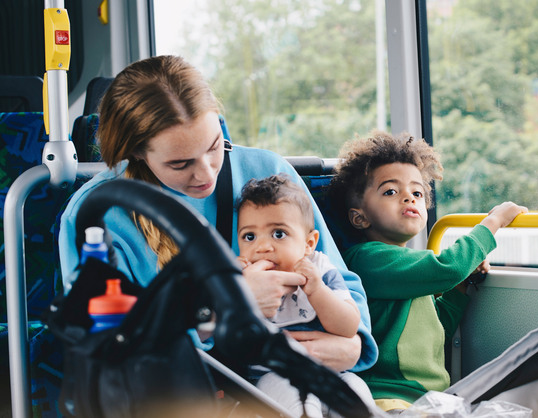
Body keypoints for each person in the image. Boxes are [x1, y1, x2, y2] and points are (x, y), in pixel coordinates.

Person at [57, 55, 378, 377]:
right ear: (137, 151)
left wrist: (352, 343)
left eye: (213, 147)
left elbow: (337, 276)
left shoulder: (268, 170)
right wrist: (225, 306)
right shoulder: (97, 213)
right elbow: (107, 344)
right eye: (180, 164)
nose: (206, 173)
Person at [326, 130, 528, 411]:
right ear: (360, 217)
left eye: (417, 192)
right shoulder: (367, 260)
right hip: (386, 397)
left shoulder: (408, 266)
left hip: (428, 399)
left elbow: (430, 334)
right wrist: (492, 223)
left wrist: (458, 292)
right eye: (391, 191)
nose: (409, 198)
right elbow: (448, 267)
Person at [235, 174, 373, 416]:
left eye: (278, 234)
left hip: (332, 371)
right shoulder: (239, 277)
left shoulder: (320, 269)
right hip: (269, 377)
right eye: (249, 236)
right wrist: (238, 291)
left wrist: (317, 291)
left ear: (309, 244)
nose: (262, 247)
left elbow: (348, 327)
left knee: (356, 390)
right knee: (297, 394)